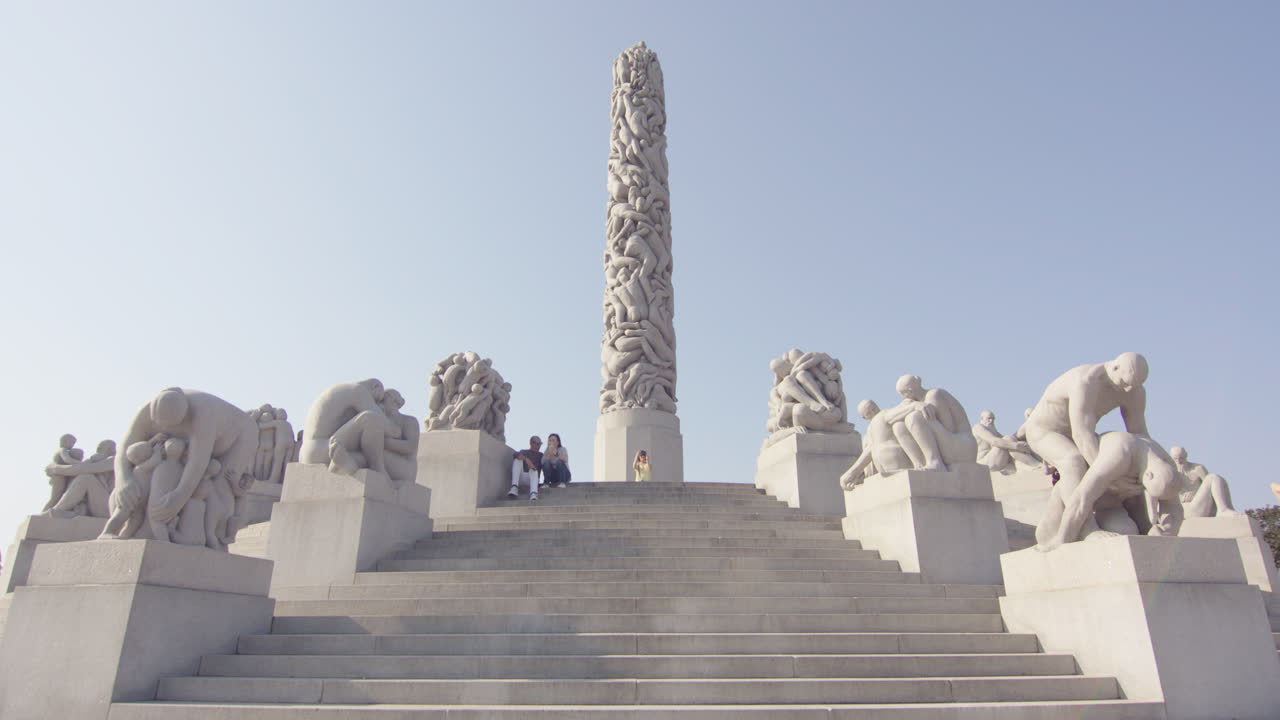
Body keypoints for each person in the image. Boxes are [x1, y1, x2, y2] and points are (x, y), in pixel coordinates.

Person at [509, 435, 543, 501]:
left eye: (540, 443)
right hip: (522, 477)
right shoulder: (524, 452)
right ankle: (514, 487)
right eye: (536, 443)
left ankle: (533, 493)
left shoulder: (541, 455)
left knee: (534, 470)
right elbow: (515, 454)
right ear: (531, 443)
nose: (538, 445)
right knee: (517, 460)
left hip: (533, 478)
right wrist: (526, 459)